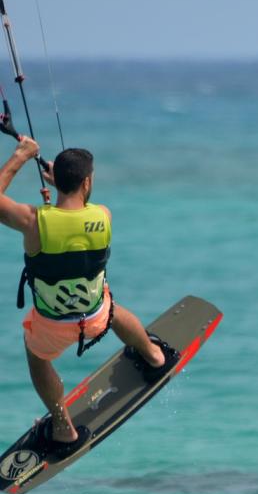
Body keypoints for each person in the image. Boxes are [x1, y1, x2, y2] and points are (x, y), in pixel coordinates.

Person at [0, 136, 177, 457]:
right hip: (96, 316)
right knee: (112, 308)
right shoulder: (104, 216)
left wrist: (21, 156)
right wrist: (60, 194)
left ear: (61, 182)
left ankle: (63, 429)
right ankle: (154, 356)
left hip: (53, 326)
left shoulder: (33, 221)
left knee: (36, 355)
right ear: (86, 181)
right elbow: (75, 215)